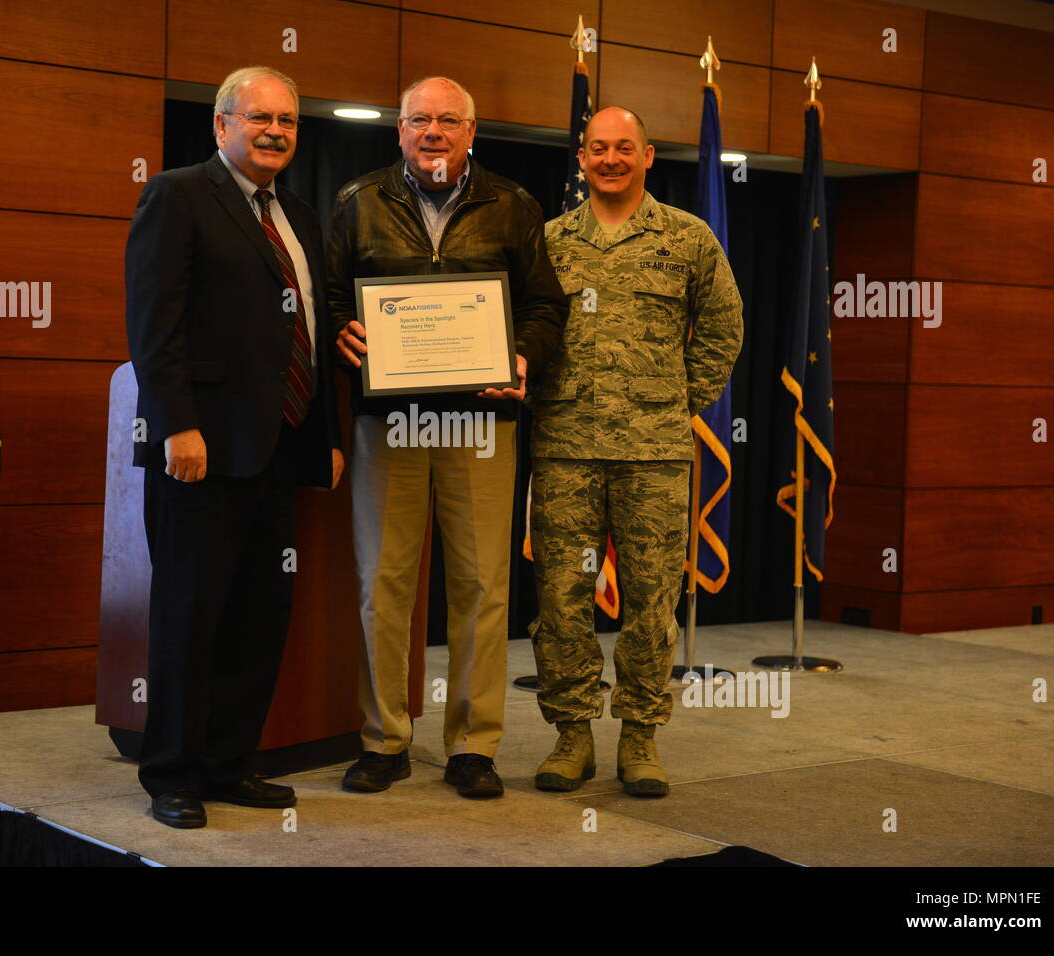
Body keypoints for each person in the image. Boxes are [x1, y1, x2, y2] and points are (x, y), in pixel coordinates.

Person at [327, 76, 567, 799]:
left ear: (472, 134)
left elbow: (546, 304)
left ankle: (472, 745)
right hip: (387, 421)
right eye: (419, 120)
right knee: (381, 584)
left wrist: (522, 353)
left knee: (483, 586)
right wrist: (342, 328)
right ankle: (383, 740)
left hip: (481, 422)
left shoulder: (514, 204)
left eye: (448, 121)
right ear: (399, 132)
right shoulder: (357, 201)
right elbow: (330, 296)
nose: (433, 132)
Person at [124, 65, 343, 828]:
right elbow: (156, 329)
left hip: (278, 450)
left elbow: (308, 332)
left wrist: (326, 438)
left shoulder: (300, 217)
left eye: (287, 120)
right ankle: (172, 775)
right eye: (260, 118)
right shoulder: (178, 195)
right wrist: (176, 425)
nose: (276, 131)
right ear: (221, 125)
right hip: (201, 451)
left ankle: (228, 763)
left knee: (259, 613)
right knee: (191, 614)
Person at [529, 106, 742, 797]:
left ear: (648, 155)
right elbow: (522, 327)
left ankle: (641, 737)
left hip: (654, 453)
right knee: (561, 597)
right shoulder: (550, 241)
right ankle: (570, 735)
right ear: (582, 159)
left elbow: (722, 327)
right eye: (598, 148)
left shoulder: (687, 238)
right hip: (565, 447)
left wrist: (677, 403)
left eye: (624, 147)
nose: (611, 158)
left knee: (651, 602)